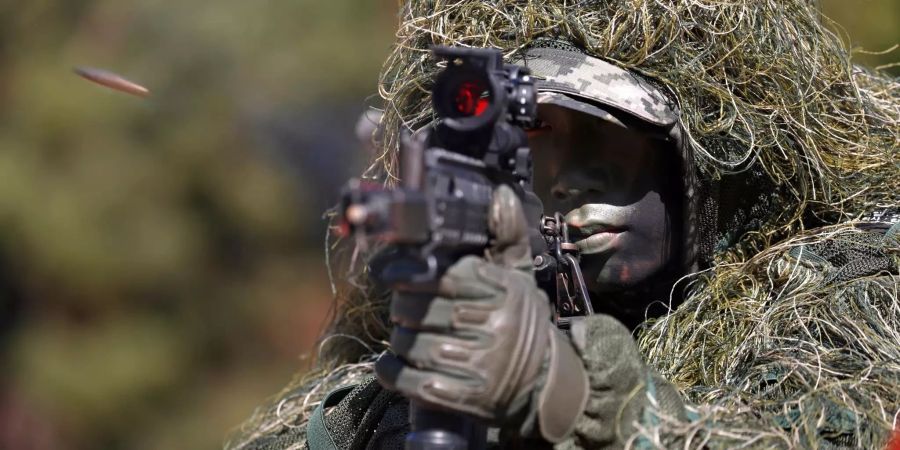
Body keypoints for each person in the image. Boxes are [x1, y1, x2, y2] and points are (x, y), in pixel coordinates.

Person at [227, 2, 900, 449]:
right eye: (523, 152)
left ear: (705, 161)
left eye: (602, 136)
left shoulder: (844, 291)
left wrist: (587, 405)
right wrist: (365, 422)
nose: (565, 182)